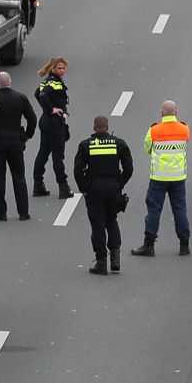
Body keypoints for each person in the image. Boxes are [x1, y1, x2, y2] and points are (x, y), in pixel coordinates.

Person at [74, 115, 134, 275]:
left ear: (94, 128)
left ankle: (101, 262)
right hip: (113, 188)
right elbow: (129, 168)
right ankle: (115, 260)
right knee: (111, 221)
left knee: (98, 225)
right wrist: (120, 183)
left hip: (95, 188)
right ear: (107, 127)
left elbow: (78, 170)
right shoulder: (119, 143)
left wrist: (84, 189)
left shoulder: (86, 145)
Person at [130, 101, 190, 257]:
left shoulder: (154, 130)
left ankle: (149, 245)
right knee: (180, 210)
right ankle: (184, 245)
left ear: (162, 114)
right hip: (178, 176)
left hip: (159, 177)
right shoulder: (185, 129)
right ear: (176, 114)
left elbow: (147, 148)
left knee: (154, 210)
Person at [0, 70, 38, 220]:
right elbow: (32, 118)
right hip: (15, 141)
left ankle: (1, 212)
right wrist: (27, 136)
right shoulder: (21, 98)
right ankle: (23, 212)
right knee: (19, 176)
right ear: (10, 82)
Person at [31, 57, 74, 199]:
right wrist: (51, 109)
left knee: (43, 152)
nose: (62, 71)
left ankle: (38, 184)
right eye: (59, 68)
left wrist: (46, 109)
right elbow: (43, 95)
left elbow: (37, 93)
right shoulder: (54, 83)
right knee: (58, 156)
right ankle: (63, 187)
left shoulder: (47, 81)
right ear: (52, 69)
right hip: (55, 122)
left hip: (45, 121)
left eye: (63, 68)